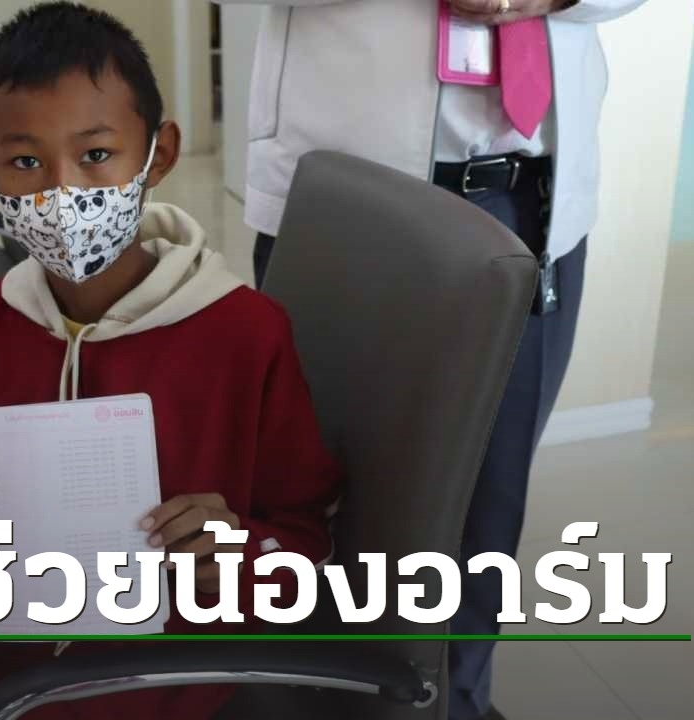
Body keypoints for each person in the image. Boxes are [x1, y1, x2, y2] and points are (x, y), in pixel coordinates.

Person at [0, 3, 341, 719]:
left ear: (158, 153)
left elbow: (307, 536)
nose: (62, 193)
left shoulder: (247, 333)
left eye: (96, 155)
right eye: (25, 162)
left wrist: (238, 556)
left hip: (163, 662)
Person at [215, 0, 648, 718]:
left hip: (530, 199)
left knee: (488, 500)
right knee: (324, 499)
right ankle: (331, 699)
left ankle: (461, 701)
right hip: (352, 199)